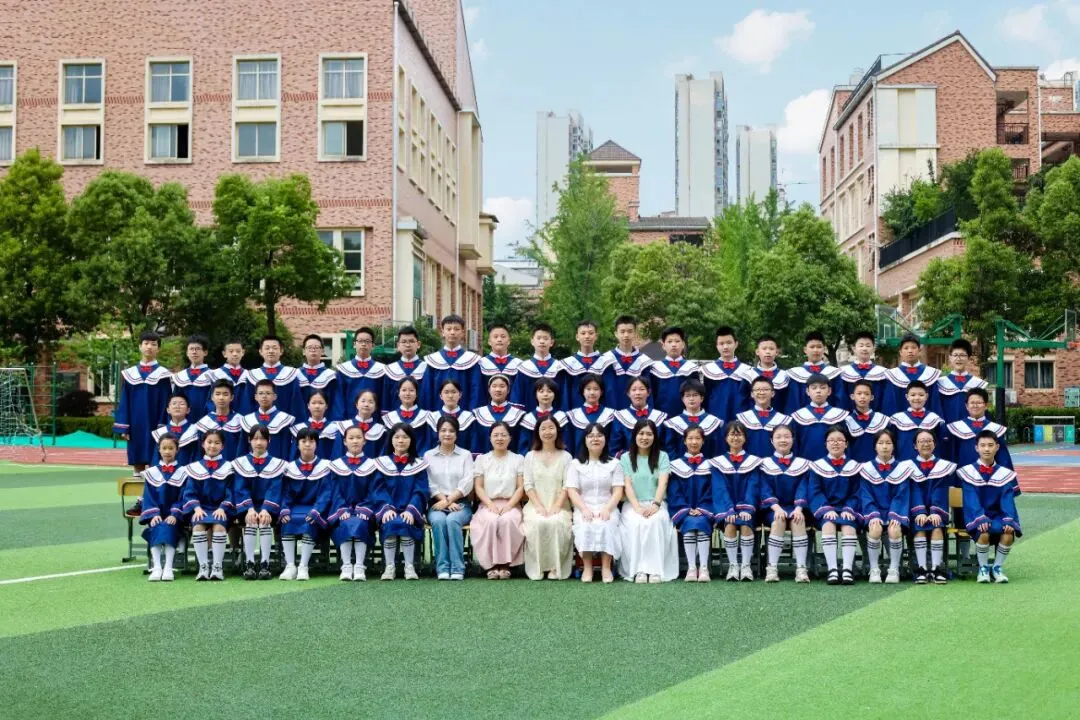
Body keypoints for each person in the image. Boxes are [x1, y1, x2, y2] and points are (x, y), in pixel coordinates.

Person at [618, 419, 679, 583]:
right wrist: (637, 507)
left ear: (655, 437)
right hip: (632, 504)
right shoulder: (625, 458)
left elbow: (663, 483)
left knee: (655, 521)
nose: (645, 437)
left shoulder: (662, 456)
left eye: (649, 434)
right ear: (635, 435)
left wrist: (656, 505)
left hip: (656, 503)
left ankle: (655, 570)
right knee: (637, 522)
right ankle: (638, 570)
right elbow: (627, 485)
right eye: (641, 433)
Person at [960, 430, 1022, 584]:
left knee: (1008, 532)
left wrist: (1008, 519)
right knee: (983, 532)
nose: (986, 449)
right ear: (976, 448)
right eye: (982, 445)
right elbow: (971, 499)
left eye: (990, 445)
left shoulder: (1004, 473)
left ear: (997, 447)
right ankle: (983, 568)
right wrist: (980, 518)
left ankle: (997, 567)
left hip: (998, 516)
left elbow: (1007, 499)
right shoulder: (968, 472)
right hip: (975, 515)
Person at [566, 422, 624, 583]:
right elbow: (572, 491)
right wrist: (584, 509)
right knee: (585, 526)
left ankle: (606, 567)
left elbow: (618, 491)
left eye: (599, 435)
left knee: (608, 524)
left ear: (605, 439)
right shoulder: (576, 464)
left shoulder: (614, 464)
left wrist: (607, 509)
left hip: (608, 506)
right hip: (584, 506)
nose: (595, 439)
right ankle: (587, 567)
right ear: (585, 440)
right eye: (591, 436)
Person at [373, 423, 429, 580]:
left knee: (405, 522)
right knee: (391, 522)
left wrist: (411, 510)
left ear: (411, 440)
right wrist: (386, 508)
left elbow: (420, 490)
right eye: (396, 437)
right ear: (391, 440)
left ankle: (409, 566)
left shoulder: (418, 464)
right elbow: (378, 489)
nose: (400, 440)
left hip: (410, 510)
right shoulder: (382, 463)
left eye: (405, 437)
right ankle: (389, 566)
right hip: (389, 510)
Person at [323, 425, 380, 581]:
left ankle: (360, 566)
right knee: (345, 523)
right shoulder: (336, 466)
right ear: (344, 442)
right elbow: (334, 491)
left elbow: (374, 491)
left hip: (365, 511)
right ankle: (346, 565)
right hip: (342, 510)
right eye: (351, 438)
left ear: (365, 441)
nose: (355, 441)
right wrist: (342, 510)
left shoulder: (372, 465)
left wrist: (364, 509)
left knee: (360, 522)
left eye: (359, 438)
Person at [522, 415, 575, 580]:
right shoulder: (530, 456)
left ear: (557, 431)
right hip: (535, 505)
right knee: (538, 523)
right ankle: (538, 567)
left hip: (560, 505)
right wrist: (538, 506)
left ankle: (554, 567)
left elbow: (568, 485)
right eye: (543, 428)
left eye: (551, 428)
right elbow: (528, 485)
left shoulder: (566, 457)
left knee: (556, 522)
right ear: (537, 432)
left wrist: (557, 506)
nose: (547, 432)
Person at [471, 422, 526, 579]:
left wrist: (509, 505)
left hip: (511, 503)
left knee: (508, 520)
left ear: (510, 438)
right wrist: (490, 504)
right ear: (490, 438)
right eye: (496, 435)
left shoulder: (518, 459)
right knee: (490, 521)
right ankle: (491, 565)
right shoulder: (482, 459)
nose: (499, 438)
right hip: (488, 503)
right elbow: (478, 487)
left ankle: (506, 564)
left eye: (503, 435)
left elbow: (521, 487)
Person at [423, 416, 475, 581]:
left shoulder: (465, 455)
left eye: (451, 431)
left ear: (457, 434)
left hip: (460, 503)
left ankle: (458, 567)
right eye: (443, 430)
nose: (447, 434)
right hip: (436, 504)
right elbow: (428, 482)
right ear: (437, 433)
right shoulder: (428, 456)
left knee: (453, 520)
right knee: (438, 521)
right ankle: (443, 567)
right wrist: (444, 501)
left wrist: (450, 500)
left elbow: (468, 481)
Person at [758, 424, 812, 583]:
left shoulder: (803, 464)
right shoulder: (764, 464)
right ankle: (772, 567)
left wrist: (799, 508)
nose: (783, 440)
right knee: (779, 520)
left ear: (793, 439)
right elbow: (764, 489)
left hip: (796, 508)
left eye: (787, 436)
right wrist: (776, 508)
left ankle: (801, 568)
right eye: (778, 437)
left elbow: (803, 487)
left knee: (798, 520)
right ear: (771, 441)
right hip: (773, 509)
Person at [232, 424, 287, 580]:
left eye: (262, 438)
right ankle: (249, 563)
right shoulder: (241, 463)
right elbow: (240, 488)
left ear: (269, 440)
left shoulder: (277, 464)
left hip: (268, 507)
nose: (258, 442)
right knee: (250, 521)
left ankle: (265, 564)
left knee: (264, 522)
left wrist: (266, 509)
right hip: (248, 507)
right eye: (255, 438)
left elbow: (274, 488)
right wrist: (249, 508)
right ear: (249, 440)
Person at [809, 425, 861, 585]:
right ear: (825, 444)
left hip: (847, 510)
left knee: (848, 526)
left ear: (846, 444)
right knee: (828, 525)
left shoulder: (854, 467)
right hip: (826, 510)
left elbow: (857, 492)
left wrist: (849, 508)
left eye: (839, 440)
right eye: (831, 440)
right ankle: (832, 569)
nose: (835, 443)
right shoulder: (817, 466)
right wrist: (826, 509)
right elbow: (815, 491)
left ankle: (847, 569)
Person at [114, 330, 172, 474]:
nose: (149, 347)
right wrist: (124, 427)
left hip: (155, 423)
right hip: (136, 424)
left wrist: (163, 424)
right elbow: (124, 401)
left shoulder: (163, 375)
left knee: (156, 460)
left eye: (153, 344)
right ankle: (137, 486)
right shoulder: (130, 374)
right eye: (146, 343)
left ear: (158, 348)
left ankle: (152, 488)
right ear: (140, 346)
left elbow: (167, 402)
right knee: (137, 459)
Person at [277, 428, 332, 581]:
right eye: (303, 441)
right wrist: (285, 509)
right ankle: (290, 566)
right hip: (295, 508)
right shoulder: (290, 468)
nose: (307, 444)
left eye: (311, 441)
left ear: (317, 444)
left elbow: (326, 493)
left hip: (315, 508)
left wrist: (317, 510)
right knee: (287, 520)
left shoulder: (325, 466)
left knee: (310, 521)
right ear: (297, 444)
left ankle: (303, 565)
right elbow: (286, 493)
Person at [710, 421, 762, 582]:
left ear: (745, 438)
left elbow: (753, 486)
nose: (735, 438)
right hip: (727, 509)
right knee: (730, 523)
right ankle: (733, 565)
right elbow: (719, 488)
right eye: (732, 434)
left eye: (739, 434)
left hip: (749, 509)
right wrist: (729, 510)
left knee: (746, 523)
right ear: (726, 438)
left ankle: (746, 565)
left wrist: (747, 508)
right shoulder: (718, 463)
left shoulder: (753, 462)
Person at [858, 429, 911, 584]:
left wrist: (895, 515)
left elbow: (901, 496)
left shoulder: (902, 469)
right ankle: (874, 568)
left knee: (894, 529)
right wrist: (873, 514)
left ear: (894, 446)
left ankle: (894, 569)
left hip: (895, 511)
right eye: (880, 443)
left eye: (888, 443)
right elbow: (865, 495)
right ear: (875, 446)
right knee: (875, 528)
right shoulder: (866, 469)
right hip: (874, 511)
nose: (885, 446)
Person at [181, 430, 235, 581]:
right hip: (201, 508)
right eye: (209, 442)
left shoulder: (228, 467)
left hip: (221, 509)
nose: (212, 446)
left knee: (219, 527)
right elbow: (189, 492)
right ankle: (203, 566)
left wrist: (223, 508)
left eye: (217, 443)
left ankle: (217, 567)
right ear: (203, 444)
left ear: (222, 446)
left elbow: (231, 492)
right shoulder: (195, 468)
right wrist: (197, 508)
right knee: (198, 526)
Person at [667, 425, 714, 582]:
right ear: (684, 441)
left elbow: (713, 491)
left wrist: (702, 509)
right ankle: (692, 567)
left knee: (700, 522)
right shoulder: (676, 466)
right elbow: (674, 492)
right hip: (684, 510)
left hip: (704, 511)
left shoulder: (711, 465)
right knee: (689, 522)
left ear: (703, 441)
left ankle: (704, 567)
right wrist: (686, 509)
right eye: (690, 438)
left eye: (698, 438)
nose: (694, 442)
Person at [909, 429, 956, 585]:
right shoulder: (908, 467)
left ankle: (936, 568)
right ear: (915, 446)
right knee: (919, 525)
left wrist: (935, 511)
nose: (926, 444)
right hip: (917, 512)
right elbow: (914, 490)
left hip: (937, 510)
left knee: (937, 526)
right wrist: (920, 511)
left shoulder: (943, 466)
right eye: (921, 441)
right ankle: (922, 568)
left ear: (935, 444)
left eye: (929, 441)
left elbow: (940, 490)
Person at [138, 433, 187, 582]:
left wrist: (174, 514)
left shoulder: (183, 472)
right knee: (157, 525)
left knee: (168, 526)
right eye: (164, 448)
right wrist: (153, 515)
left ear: (177, 450)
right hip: (157, 514)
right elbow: (149, 497)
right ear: (159, 449)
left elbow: (183, 496)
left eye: (171, 448)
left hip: (175, 516)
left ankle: (168, 567)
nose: (167, 451)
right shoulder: (152, 473)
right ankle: (157, 567)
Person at [422, 314, 482, 410]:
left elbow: (476, 391)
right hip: (438, 414)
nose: (452, 332)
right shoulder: (433, 361)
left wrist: (472, 414)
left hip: (465, 414)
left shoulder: (472, 360)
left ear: (462, 333)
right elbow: (427, 391)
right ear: (442, 332)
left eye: (456, 329)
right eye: (449, 329)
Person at [943, 387, 1013, 469]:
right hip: (963, 473)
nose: (975, 406)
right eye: (972, 403)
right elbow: (951, 455)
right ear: (966, 406)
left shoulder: (995, 429)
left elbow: (1003, 458)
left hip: (988, 474)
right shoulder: (956, 428)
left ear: (986, 405)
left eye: (979, 402)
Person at [598, 315, 653, 411]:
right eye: (622, 331)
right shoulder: (606, 359)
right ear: (616, 333)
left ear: (635, 334)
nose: (626, 335)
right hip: (610, 411)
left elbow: (648, 392)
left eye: (630, 331)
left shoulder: (644, 361)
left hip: (637, 413)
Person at [701, 325, 755, 422]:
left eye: (729, 343)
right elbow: (705, 397)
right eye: (721, 343)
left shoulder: (747, 370)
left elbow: (750, 398)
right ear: (716, 346)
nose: (725, 347)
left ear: (736, 344)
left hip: (741, 417)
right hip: (715, 416)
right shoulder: (709, 370)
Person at [791, 372, 850, 461]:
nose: (818, 391)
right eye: (814, 388)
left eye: (823, 388)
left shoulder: (839, 416)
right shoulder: (798, 416)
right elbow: (795, 445)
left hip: (833, 463)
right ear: (807, 391)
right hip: (806, 463)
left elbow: (845, 444)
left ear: (829, 391)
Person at [785, 330, 846, 415]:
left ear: (824, 349)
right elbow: (793, 403)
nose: (815, 350)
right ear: (805, 350)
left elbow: (840, 401)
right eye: (812, 347)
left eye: (819, 347)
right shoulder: (796, 375)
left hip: (830, 419)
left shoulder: (834, 374)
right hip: (803, 420)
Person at [881, 333, 941, 417]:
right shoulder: (893, 376)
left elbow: (935, 404)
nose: (910, 351)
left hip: (926, 423)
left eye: (913, 347)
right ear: (901, 352)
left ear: (919, 351)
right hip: (899, 423)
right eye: (906, 348)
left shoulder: (930, 374)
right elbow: (889, 405)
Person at [248, 334, 306, 421]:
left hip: (286, 423)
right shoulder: (252, 375)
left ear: (281, 351)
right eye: (267, 348)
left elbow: (296, 404)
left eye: (274, 348)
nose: (271, 351)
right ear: (260, 351)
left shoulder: (291, 374)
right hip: (258, 424)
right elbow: (248, 404)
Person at [647, 326, 700, 419]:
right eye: (670, 341)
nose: (674, 345)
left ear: (683, 344)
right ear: (663, 345)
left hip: (686, 417)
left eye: (677, 341)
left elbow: (697, 394)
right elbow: (651, 395)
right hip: (660, 416)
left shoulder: (691, 368)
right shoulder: (655, 368)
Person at [512, 323, 566, 413]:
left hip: (554, 417)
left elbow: (564, 397)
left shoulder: (559, 368)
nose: (542, 341)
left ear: (551, 342)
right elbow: (517, 396)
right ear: (532, 341)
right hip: (528, 416)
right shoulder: (524, 368)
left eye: (545, 338)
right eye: (538, 338)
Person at [663, 379, 723, 459]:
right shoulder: (673, 424)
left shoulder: (713, 422)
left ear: (702, 398)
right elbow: (670, 450)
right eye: (688, 395)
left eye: (695, 395)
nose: (691, 399)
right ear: (682, 399)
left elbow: (717, 450)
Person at [735, 376, 792, 459]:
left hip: (774, 465)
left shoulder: (784, 420)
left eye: (765, 389)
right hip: (749, 464)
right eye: (757, 389)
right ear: (752, 394)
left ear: (773, 393)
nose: (761, 392)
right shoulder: (742, 419)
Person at [336, 327, 387, 416]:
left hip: (375, 420)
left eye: (367, 341)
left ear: (373, 345)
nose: (363, 344)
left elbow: (384, 398)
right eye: (360, 341)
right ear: (354, 344)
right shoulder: (343, 370)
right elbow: (339, 398)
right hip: (349, 419)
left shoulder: (382, 370)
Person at [610, 377, 668, 457]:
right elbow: (614, 448)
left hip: (655, 460)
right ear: (628, 393)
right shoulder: (620, 417)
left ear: (648, 392)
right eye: (634, 390)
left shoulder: (660, 417)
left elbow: (665, 446)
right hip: (629, 460)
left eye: (641, 389)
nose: (637, 393)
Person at [888, 380, 944, 462]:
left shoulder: (935, 419)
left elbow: (938, 445)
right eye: (913, 395)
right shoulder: (897, 420)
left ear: (926, 396)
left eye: (921, 395)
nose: (917, 398)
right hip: (903, 463)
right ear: (907, 397)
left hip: (928, 464)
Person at [240, 379, 296, 458]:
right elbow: (242, 450)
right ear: (256, 397)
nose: (264, 396)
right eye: (261, 393)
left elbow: (286, 449)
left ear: (274, 396)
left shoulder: (284, 420)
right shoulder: (248, 420)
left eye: (268, 393)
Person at [936, 339, 988, 425]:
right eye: (955, 355)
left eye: (962, 355)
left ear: (969, 358)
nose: (958, 358)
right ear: (950, 357)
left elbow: (983, 412)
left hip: (971, 429)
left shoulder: (978, 384)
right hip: (947, 428)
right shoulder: (941, 383)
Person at [471, 374, 525, 454]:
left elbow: (520, 443)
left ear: (508, 390)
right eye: (494, 386)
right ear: (489, 390)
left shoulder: (519, 415)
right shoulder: (478, 414)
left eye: (502, 386)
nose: (498, 389)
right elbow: (475, 443)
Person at [564, 373, 616, 455]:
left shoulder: (611, 414)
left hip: (605, 459)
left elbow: (612, 443)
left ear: (601, 392)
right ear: (583, 391)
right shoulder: (572, 415)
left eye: (596, 389)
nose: (592, 392)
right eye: (588, 389)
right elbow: (569, 444)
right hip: (579, 460)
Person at [838, 331, 888, 412]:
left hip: (876, 417)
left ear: (874, 349)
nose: (864, 348)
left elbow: (885, 400)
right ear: (854, 349)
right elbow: (841, 399)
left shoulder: (882, 373)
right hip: (850, 417)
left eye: (868, 346)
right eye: (861, 345)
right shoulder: (844, 373)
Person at [426, 380, 477, 457]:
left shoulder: (468, 417)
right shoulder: (432, 417)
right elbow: (428, 444)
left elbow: (473, 445)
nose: (450, 396)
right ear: (440, 395)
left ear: (460, 395)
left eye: (454, 392)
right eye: (446, 392)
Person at [844, 379, 891, 463]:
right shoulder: (846, 421)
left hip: (877, 466)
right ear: (852, 396)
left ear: (872, 397)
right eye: (859, 393)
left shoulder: (882, 420)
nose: (862, 397)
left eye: (866, 394)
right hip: (854, 466)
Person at [517, 377, 568, 455]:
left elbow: (566, 442)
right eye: (541, 391)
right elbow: (523, 446)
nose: (545, 394)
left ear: (555, 395)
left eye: (549, 391)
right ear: (535, 394)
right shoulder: (528, 418)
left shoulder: (560, 417)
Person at [562, 320, 609, 405]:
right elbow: (565, 393)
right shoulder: (568, 364)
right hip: (574, 410)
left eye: (591, 333)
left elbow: (609, 391)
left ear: (596, 336)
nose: (587, 336)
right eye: (583, 333)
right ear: (577, 337)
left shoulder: (606, 362)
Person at [381, 377, 432, 454]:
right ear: (398, 393)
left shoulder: (426, 416)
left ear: (417, 393)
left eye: (411, 390)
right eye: (404, 390)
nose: (407, 394)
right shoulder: (390, 417)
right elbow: (387, 445)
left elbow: (428, 443)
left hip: (420, 458)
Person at [331, 389, 387, 458]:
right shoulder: (344, 426)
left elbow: (381, 456)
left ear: (375, 407)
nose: (366, 405)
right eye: (363, 401)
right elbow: (337, 453)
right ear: (357, 404)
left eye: (371, 402)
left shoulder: (380, 430)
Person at [383, 326, 428, 412]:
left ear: (418, 344)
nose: (408, 345)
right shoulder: (390, 370)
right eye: (404, 342)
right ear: (398, 346)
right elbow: (386, 398)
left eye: (411, 341)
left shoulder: (426, 368)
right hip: (395, 417)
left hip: (421, 416)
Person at [171, 334, 212, 424]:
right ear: (187, 353)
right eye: (191, 349)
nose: (194, 352)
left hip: (207, 421)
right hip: (183, 422)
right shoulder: (180, 376)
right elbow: (175, 400)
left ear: (205, 352)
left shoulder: (213, 375)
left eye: (198, 349)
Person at [205, 338, 252, 416]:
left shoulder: (250, 375)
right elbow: (210, 401)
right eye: (231, 351)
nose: (235, 354)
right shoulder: (214, 375)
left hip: (246, 418)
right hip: (222, 419)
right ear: (224, 354)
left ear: (243, 352)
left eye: (238, 351)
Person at [477, 324, 520, 406]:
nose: (499, 339)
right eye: (495, 337)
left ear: (509, 341)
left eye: (503, 337)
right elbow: (478, 391)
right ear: (489, 341)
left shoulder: (518, 364)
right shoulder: (481, 363)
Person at [298, 334, 339, 420]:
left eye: (316, 347)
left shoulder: (331, 376)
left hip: (325, 422)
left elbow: (334, 403)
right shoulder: (295, 375)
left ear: (323, 351)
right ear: (304, 351)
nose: (313, 350)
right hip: (300, 422)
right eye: (309, 347)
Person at [151, 393, 199, 466]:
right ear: (168, 410)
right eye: (174, 403)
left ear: (188, 410)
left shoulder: (195, 430)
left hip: (188, 470)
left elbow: (197, 456)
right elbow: (156, 459)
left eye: (182, 404)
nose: (177, 406)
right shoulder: (161, 432)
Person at [291, 390, 338, 460]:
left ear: (326, 406)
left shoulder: (334, 428)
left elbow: (336, 452)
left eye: (321, 403)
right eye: (313, 403)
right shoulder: (299, 428)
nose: (317, 406)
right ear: (308, 406)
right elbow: (294, 455)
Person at [750, 334, 791, 413]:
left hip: (779, 418)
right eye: (764, 348)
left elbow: (788, 402)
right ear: (757, 351)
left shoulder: (784, 376)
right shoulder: (749, 375)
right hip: (752, 418)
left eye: (771, 349)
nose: (768, 352)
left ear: (777, 352)